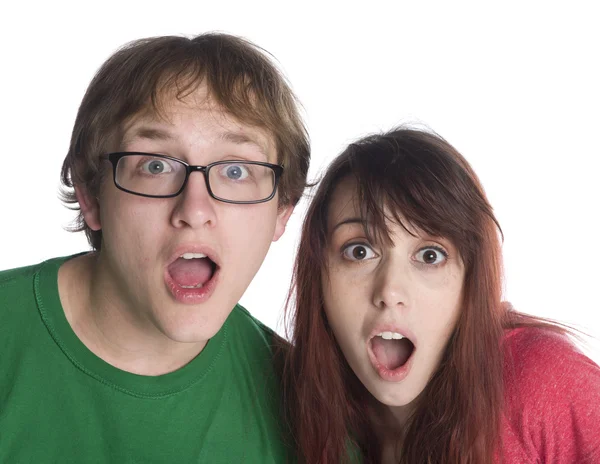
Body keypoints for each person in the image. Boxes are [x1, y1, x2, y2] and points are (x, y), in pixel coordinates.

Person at [0, 33, 309, 462]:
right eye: (155, 165)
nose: (195, 209)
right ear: (91, 196)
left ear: (283, 212)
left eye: (236, 170)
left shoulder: (309, 413)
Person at [280, 128, 600, 463]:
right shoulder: (293, 408)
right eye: (359, 251)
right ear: (317, 274)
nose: (390, 291)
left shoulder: (539, 380)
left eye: (430, 255)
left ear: (470, 280)